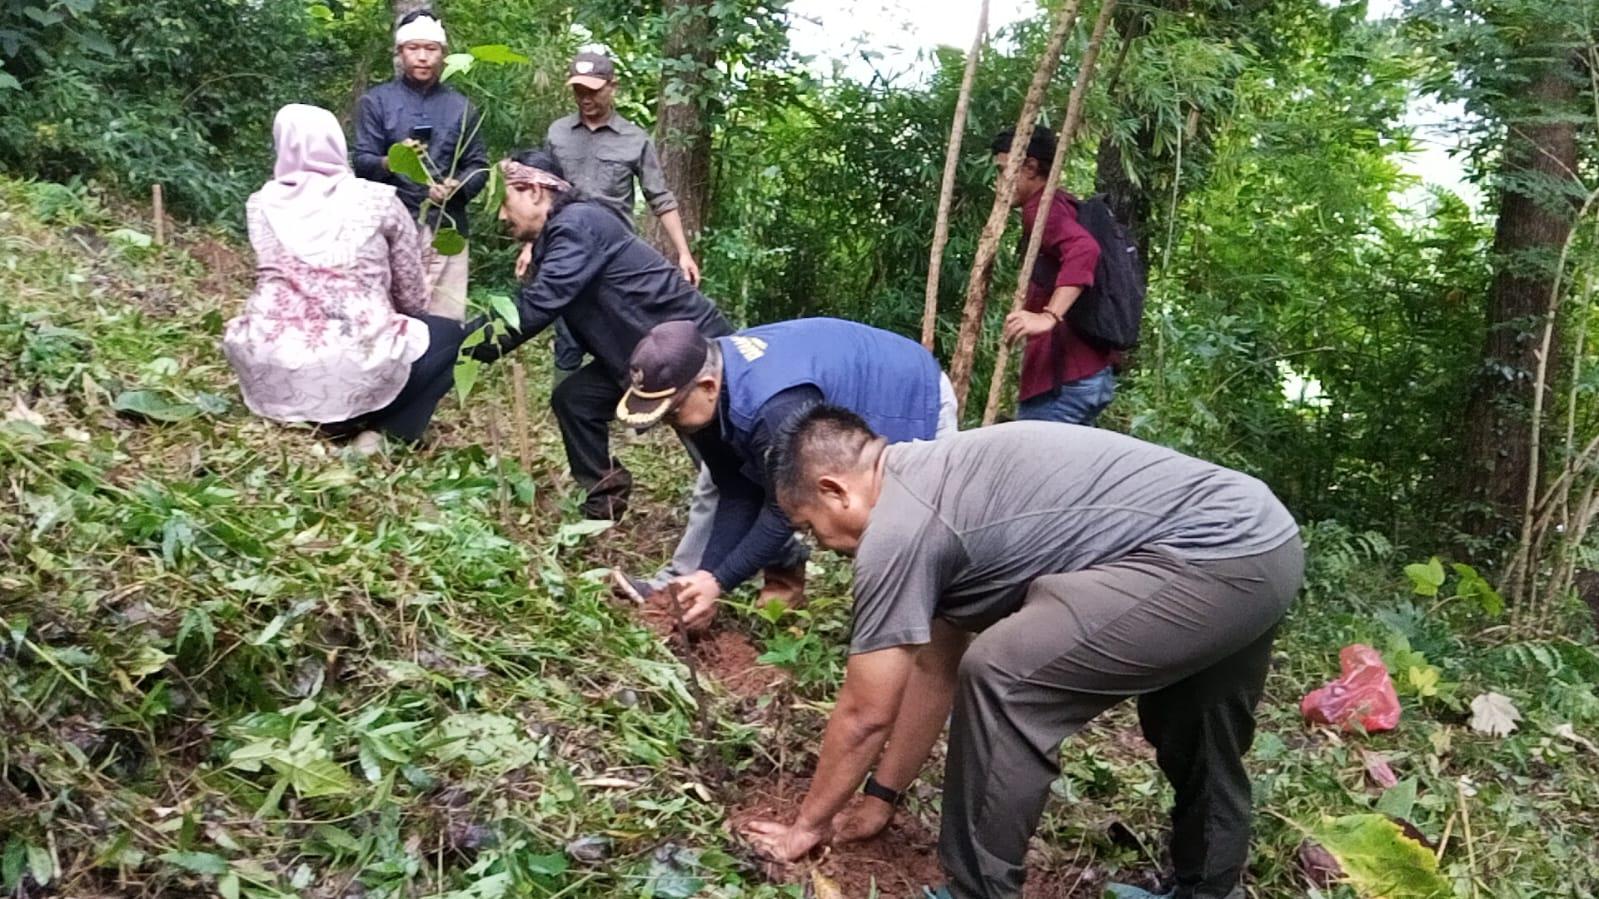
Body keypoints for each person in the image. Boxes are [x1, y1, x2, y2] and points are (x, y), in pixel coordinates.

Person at [740, 408, 1303, 899]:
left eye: (809, 526)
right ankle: (1208, 888)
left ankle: (978, 892)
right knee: (1196, 722)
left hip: (1207, 553)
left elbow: (866, 714)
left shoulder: (896, 528)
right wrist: (882, 795)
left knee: (1004, 678)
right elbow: (934, 669)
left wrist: (806, 827)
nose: (821, 546)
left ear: (835, 489)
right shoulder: (933, 480)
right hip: (1261, 543)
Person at [614, 318, 959, 623]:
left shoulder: (775, 408)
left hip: (909, 395)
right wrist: (708, 575)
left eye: (672, 413)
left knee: (906, 533)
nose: (670, 424)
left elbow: (785, 509)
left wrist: (718, 582)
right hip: (836, 398)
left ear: (707, 387)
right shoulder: (710, 396)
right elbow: (737, 489)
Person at [468, 149, 731, 519]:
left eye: (504, 202)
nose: (500, 215)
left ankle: (778, 550)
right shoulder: (563, 232)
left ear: (534, 191)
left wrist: (463, 343)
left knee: (720, 465)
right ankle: (604, 497)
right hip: (638, 356)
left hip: (692, 355)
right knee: (576, 399)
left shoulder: (578, 225)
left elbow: (539, 304)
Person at [223, 104, 464, 451]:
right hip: (354, 367)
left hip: (271, 370)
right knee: (447, 335)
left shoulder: (260, 204)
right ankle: (382, 434)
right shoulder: (379, 200)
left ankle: (300, 416)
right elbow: (411, 299)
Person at [527, 50, 704, 381]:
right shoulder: (557, 134)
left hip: (614, 261)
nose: (585, 98)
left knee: (624, 333)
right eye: (579, 90)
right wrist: (529, 246)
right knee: (568, 336)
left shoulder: (635, 139)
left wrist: (683, 252)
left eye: (593, 90)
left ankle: (636, 400)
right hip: (566, 253)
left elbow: (660, 197)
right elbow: (540, 195)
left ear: (612, 87)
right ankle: (566, 403)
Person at [352, 9, 490, 322]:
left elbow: (478, 164)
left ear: (443, 54)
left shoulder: (463, 107)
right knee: (390, 317)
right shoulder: (376, 102)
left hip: (447, 226)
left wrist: (456, 186)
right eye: (414, 48)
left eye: (431, 49)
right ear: (400, 52)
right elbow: (361, 163)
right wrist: (394, 160)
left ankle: (439, 371)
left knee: (445, 319)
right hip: (391, 225)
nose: (423, 57)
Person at [991, 125, 1116, 426]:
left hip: (1063, 381)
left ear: (1031, 167)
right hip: (1091, 372)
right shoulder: (1060, 202)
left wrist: (1048, 316)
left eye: (1003, 170)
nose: (998, 182)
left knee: (1037, 469)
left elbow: (1085, 249)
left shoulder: (1042, 210)